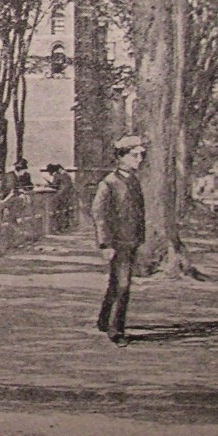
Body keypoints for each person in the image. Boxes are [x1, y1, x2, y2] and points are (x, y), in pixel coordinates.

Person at [92, 134, 148, 347]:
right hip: (117, 242)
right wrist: (105, 244)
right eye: (135, 155)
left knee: (117, 282)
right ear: (121, 157)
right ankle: (116, 331)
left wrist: (140, 236)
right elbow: (99, 215)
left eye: (141, 155)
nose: (139, 159)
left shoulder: (133, 181)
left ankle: (104, 320)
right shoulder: (108, 183)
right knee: (123, 285)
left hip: (131, 240)